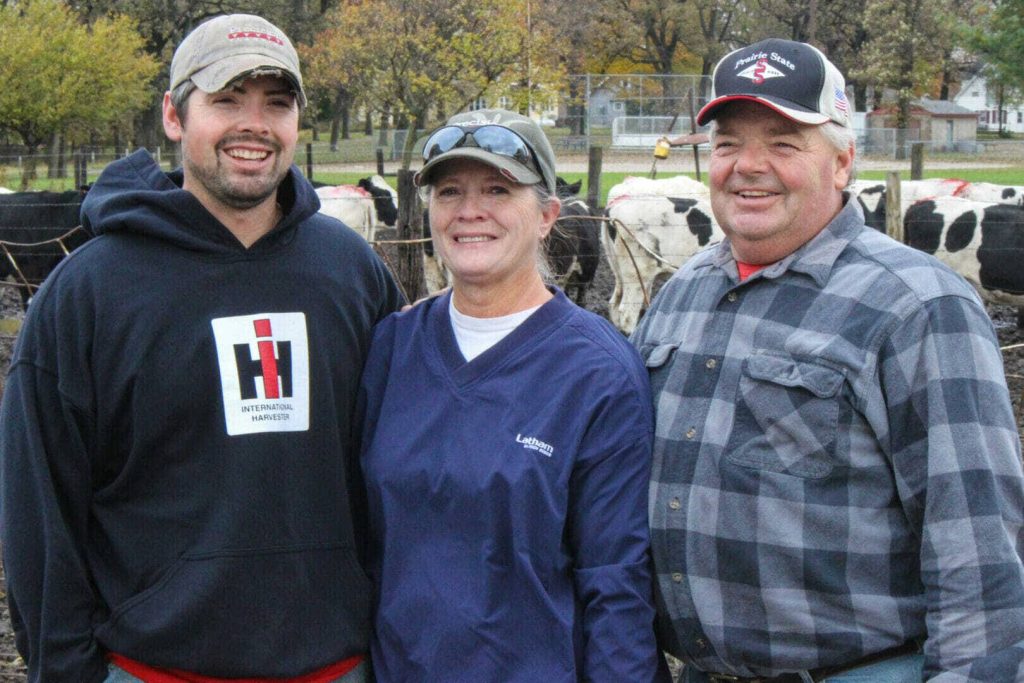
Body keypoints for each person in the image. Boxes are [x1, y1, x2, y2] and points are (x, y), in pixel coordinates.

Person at [0, 13, 403, 683]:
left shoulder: (353, 274)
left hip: (336, 667)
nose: (255, 123)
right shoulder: (88, 292)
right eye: (226, 100)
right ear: (173, 115)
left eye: (277, 103)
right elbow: (41, 513)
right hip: (151, 668)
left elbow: (397, 473)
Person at [631, 38, 1024, 682]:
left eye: (783, 144)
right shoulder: (683, 291)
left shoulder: (917, 305)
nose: (746, 166)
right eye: (728, 143)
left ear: (842, 163)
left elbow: (978, 550)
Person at [357, 109, 667, 681]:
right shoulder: (391, 349)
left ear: (548, 215)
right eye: (450, 191)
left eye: (498, 190)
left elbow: (616, 579)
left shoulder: (596, 371)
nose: (470, 211)